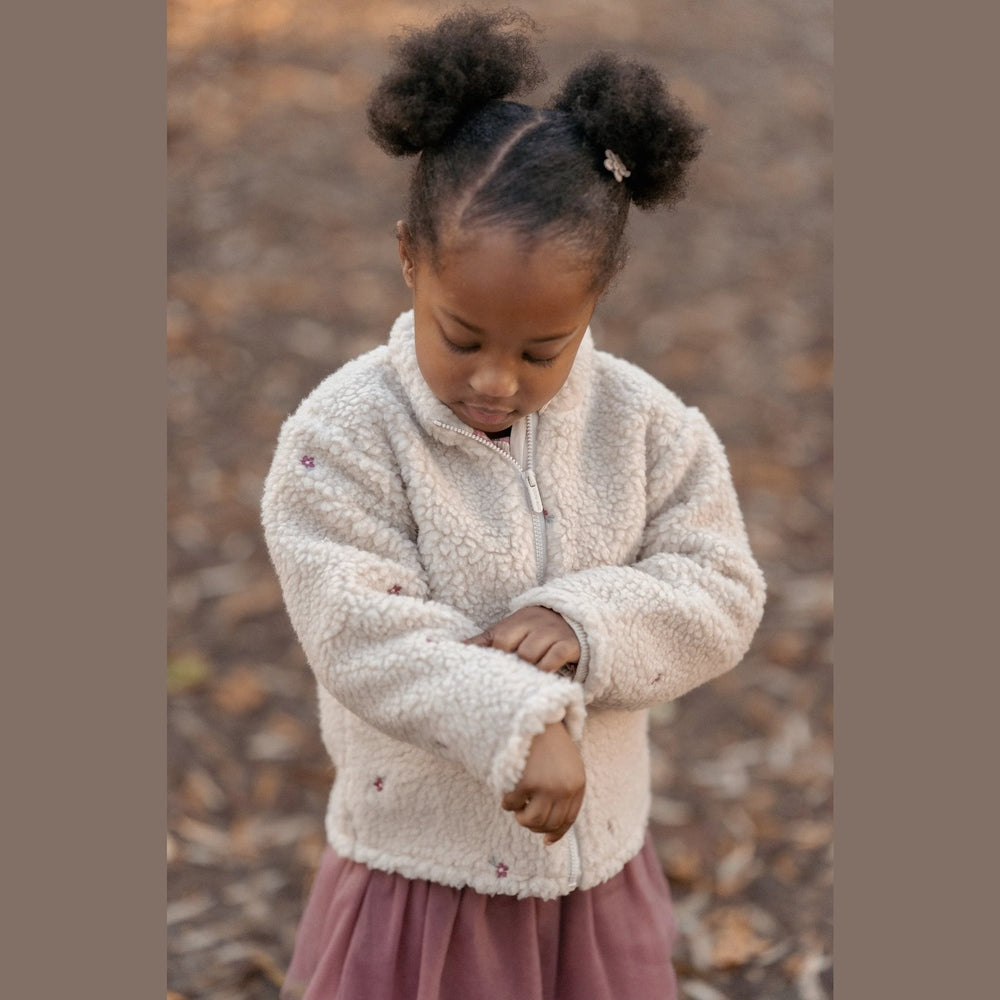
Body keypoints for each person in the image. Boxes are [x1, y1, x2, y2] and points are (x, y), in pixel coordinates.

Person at [261, 8, 765, 999]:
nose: (496, 379)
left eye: (541, 350)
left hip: (591, 868)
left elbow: (721, 586)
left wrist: (584, 622)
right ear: (410, 257)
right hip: (420, 875)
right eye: (463, 335)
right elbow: (359, 627)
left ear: (594, 302)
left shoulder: (646, 426)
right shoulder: (345, 435)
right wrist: (516, 713)